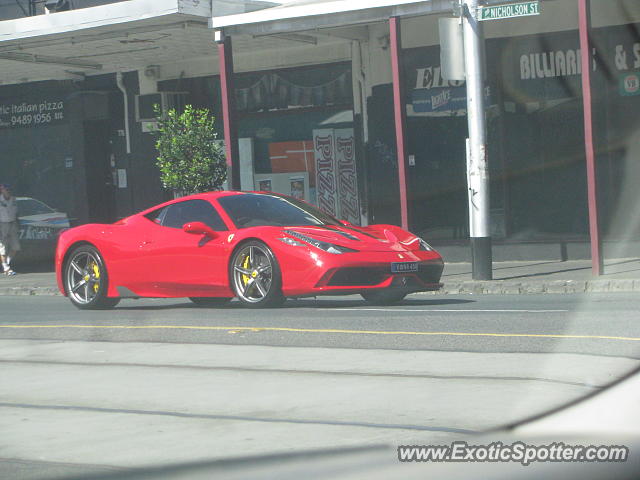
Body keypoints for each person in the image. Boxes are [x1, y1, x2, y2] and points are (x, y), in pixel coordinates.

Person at [0, 183, 20, 276]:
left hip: (13, 223)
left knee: (16, 247)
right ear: (2, 190)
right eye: (6, 189)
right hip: (2, 224)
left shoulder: (13, 199)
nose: (8, 191)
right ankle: (6, 268)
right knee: (3, 246)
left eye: (9, 190)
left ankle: (7, 263)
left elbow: (16, 212)